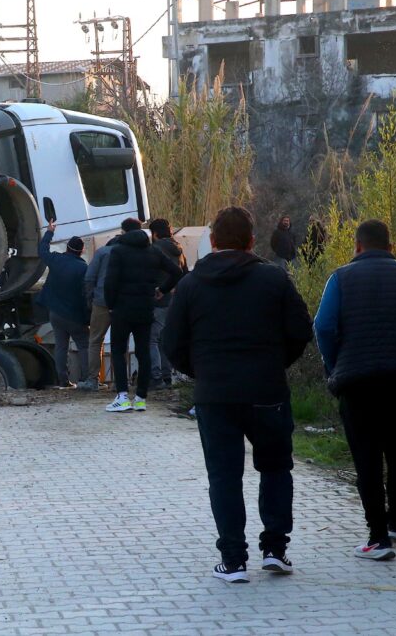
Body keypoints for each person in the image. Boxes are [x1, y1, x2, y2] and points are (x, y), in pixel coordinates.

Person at [163, 206, 313, 584]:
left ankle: (233, 561)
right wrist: (276, 362)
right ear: (251, 241)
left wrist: (201, 372)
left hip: (215, 396)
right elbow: (301, 330)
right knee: (276, 467)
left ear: (213, 242)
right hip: (267, 390)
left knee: (224, 476)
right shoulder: (274, 279)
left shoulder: (192, 285)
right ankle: (275, 550)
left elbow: (170, 342)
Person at [314, 219, 396, 561]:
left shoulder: (340, 278)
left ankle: (376, 539)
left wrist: (334, 364)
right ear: (391, 247)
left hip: (356, 381)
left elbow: (323, 326)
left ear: (357, 247)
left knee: (367, 458)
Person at [103, 217, 183, 413]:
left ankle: (122, 396)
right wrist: (162, 290)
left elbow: (110, 282)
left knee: (118, 351)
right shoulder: (153, 251)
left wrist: (110, 305)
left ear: (124, 233)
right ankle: (140, 398)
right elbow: (176, 272)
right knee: (143, 352)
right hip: (146, 308)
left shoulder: (118, 251)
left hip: (122, 309)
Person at [37, 219, 90, 388]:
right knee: (84, 345)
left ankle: (63, 381)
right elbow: (87, 294)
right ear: (81, 252)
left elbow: (42, 250)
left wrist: (50, 231)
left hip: (55, 314)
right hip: (74, 316)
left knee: (61, 346)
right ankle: (86, 380)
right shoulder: (83, 269)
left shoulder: (56, 260)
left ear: (67, 248)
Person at [148, 218, 189, 389]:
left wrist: (161, 289)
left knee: (152, 339)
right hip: (175, 300)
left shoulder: (155, 249)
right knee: (165, 339)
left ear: (155, 234)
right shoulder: (179, 249)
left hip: (159, 300)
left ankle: (156, 377)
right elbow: (185, 273)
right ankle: (167, 376)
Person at [81, 233, 121, 392]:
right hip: (121, 304)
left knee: (96, 340)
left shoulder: (102, 252)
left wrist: (90, 299)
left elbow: (89, 278)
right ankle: (119, 382)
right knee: (120, 342)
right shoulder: (126, 253)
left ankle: (93, 380)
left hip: (101, 302)